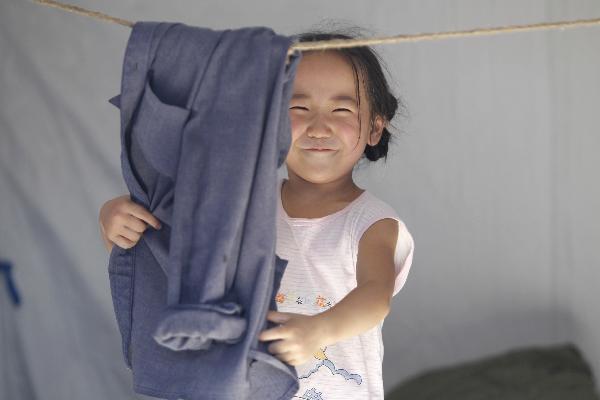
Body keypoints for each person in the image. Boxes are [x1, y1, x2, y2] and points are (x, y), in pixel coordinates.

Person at [99, 29, 415, 400]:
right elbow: (172, 256)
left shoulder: (372, 222)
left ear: (375, 128)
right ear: (270, 123)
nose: (319, 126)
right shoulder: (246, 204)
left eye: (342, 109)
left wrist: (318, 331)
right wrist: (114, 219)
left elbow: (377, 297)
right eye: (299, 108)